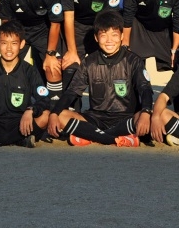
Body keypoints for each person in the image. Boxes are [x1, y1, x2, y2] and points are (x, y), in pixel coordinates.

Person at [47, 11, 153, 147]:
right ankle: (115, 139)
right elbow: (71, 92)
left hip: (126, 118)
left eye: (114, 35)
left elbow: (145, 89)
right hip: (95, 118)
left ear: (121, 36)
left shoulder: (134, 60)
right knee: (61, 116)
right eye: (104, 35)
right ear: (96, 38)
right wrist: (55, 113)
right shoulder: (89, 62)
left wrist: (145, 111)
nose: (109, 40)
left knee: (150, 116)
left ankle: (91, 135)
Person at [0, 0, 64, 101]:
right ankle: (7, 102)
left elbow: (55, 24)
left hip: (43, 30)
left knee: (52, 66)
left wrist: (51, 53)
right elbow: (5, 21)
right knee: (8, 64)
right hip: (17, 30)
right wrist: (8, 43)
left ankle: (55, 105)